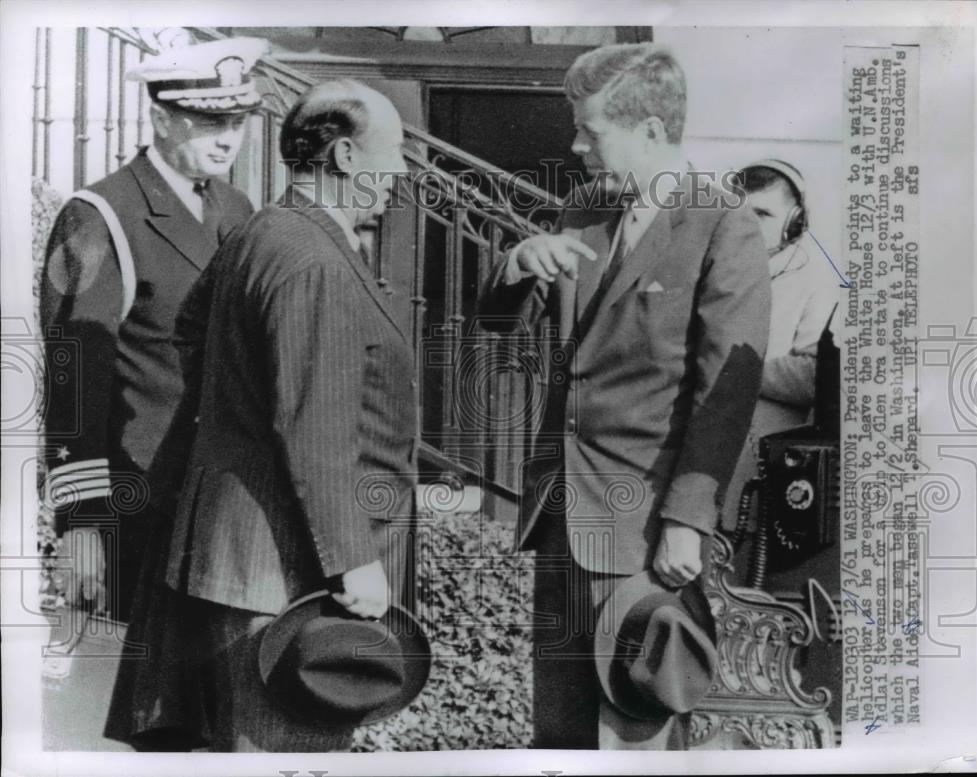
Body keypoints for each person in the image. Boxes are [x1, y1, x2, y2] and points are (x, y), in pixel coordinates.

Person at [478, 43, 771, 749]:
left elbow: (723, 393)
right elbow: (494, 323)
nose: (576, 145)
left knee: (629, 729)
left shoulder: (721, 223)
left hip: (643, 523)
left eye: (590, 130)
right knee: (559, 733)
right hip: (561, 513)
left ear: (649, 130)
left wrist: (688, 519)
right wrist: (519, 264)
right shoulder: (586, 210)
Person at [149, 79, 414, 752]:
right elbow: (314, 427)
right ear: (348, 157)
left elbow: (188, 333)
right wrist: (353, 560)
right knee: (287, 754)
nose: (402, 174)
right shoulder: (311, 257)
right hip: (290, 572)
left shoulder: (262, 231)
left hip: (249, 556)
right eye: (395, 154)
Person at [40, 34, 267, 621]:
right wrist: (82, 523)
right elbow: (75, 375)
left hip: (218, 500)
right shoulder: (100, 214)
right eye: (207, 122)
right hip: (136, 500)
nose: (228, 138)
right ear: (161, 119)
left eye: (238, 121)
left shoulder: (237, 209)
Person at [719, 160, 840, 533]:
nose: (747, 225)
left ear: (795, 222)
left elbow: (814, 376)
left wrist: (729, 372)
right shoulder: (712, 269)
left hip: (758, 470)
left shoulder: (817, 279)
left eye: (763, 214)